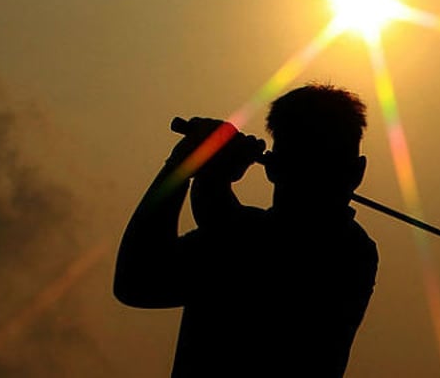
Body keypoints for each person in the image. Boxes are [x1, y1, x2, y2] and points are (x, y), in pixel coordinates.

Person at [114, 84, 378, 378]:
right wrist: (207, 174)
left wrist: (186, 166)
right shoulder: (353, 250)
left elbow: (138, 278)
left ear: (272, 168)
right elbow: (227, 229)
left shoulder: (348, 252)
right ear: (358, 172)